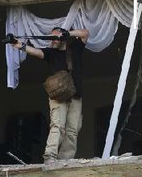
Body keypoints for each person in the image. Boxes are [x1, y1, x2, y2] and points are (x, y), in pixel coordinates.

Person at [12, 27, 89, 162]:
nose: (52, 41)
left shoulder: (75, 48)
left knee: (72, 130)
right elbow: (36, 52)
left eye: (55, 38)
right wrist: (19, 45)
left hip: (75, 96)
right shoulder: (51, 53)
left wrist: (68, 34)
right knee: (57, 125)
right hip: (58, 96)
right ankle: (50, 156)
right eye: (51, 38)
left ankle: (65, 160)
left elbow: (85, 33)